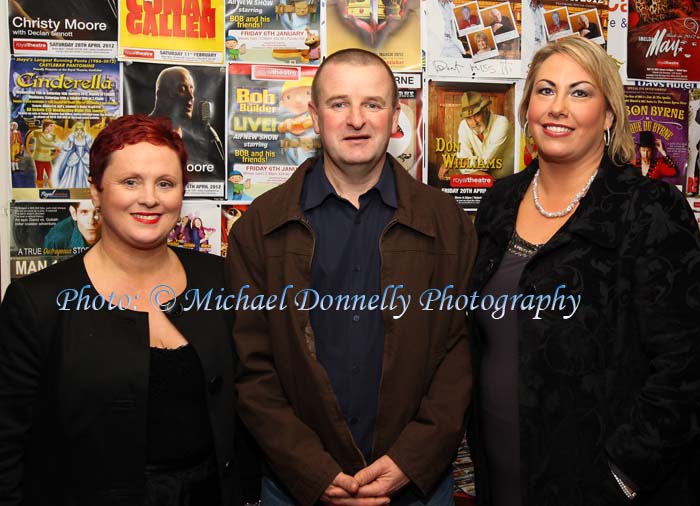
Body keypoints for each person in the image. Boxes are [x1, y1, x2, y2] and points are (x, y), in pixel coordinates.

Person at [227, 48, 476, 506]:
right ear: (315, 116)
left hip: (416, 486)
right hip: (295, 488)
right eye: (339, 103)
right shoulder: (259, 228)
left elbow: (459, 353)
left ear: (395, 115)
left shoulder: (448, 223)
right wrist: (311, 469)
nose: (356, 119)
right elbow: (252, 370)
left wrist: (412, 458)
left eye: (373, 104)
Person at [469, 36, 700, 506]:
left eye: (580, 92)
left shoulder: (648, 209)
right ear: (527, 107)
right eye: (545, 90)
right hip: (500, 472)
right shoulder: (498, 202)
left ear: (609, 115)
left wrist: (622, 476)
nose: (558, 107)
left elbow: (685, 368)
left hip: (600, 487)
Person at [0, 115, 245, 506]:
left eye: (165, 183)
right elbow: (8, 446)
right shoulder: (38, 301)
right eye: (130, 181)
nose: (149, 198)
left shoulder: (219, 280)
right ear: (96, 192)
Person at [149, 66, 224, 166]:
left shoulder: (193, 139)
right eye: (182, 89)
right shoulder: (144, 133)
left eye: (191, 89)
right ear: (161, 95)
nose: (191, 97)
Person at [438, 91, 514, 180]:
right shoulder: (464, 125)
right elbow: (463, 157)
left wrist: (456, 162)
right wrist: (478, 173)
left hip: (508, 180)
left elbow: (486, 163)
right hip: (480, 179)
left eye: (477, 115)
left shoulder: (501, 123)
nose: (474, 123)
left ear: (486, 111)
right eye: (469, 118)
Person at [55, 120, 93, 188]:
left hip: (85, 157)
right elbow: (67, 148)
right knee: (71, 173)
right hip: (74, 157)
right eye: (77, 129)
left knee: (87, 172)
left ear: (82, 130)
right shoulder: (72, 138)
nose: (79, 131)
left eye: (80, 129)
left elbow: (91, 148)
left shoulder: (87, 138)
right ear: (75, 130)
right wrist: (70, 144)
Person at [31, 118, 59, 188]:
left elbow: (57, 142)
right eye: (51, 126)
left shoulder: (52, 136)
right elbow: (44, 143)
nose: (52, 127)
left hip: (47, 157)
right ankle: (40, 190)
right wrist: (54, 146)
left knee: (50, 173)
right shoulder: (39, 135)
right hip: (39, 157)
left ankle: (52, 188)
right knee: (40, 174)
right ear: (46, 126)